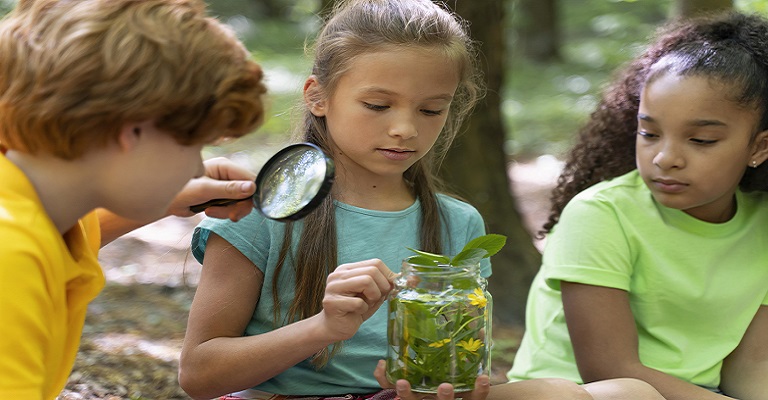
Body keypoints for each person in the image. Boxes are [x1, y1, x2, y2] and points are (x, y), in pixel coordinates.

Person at [178, 1, 665, 400]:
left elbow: (465, 358)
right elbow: (199, 375)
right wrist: (323, 328)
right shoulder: (261, 210)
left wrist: (463, 384)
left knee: (628, 393)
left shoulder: (459, 224)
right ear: (318, 96)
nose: (405, 128)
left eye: (432, 109)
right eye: (378, 105)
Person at [0, 0, 268, 398]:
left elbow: (65, 239)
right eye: (193, 145)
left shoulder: (30, 205)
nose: (197, 168)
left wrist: (161, 198)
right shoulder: (13, 260)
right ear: (134, 130)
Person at [508, 11, 768, 400]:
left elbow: (752, 367)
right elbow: (611, 368)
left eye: (701, 140)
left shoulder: (762, 223)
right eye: (649, 133)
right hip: (589, 393)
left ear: (759, 147)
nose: (666, 157)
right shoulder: (600, 214)